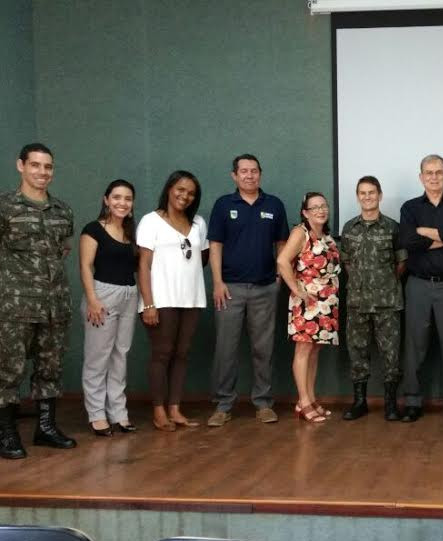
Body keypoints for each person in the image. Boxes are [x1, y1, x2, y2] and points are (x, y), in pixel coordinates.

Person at [0, 142, 78, 459]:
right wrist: (8, 283)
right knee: (7, 371)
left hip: (54, 306)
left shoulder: (62, 210)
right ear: (21, 166)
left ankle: (45, 429)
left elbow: (63, 251)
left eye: (47, 167)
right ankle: (6, 435)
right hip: (14, 307)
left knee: (50, 368)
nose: (42, 172)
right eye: (35, 165)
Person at [206, 154, 290, 428]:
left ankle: (263, 403)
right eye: (244, 171)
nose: (249, 175)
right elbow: (215, 245)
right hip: (229, 288)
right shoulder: (223, 205)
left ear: (260, 174)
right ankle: (223, 405)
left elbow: (282, 244)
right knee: (225, 349)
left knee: (263, 349)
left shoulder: (274, 205)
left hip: (265, 288)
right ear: (234, 176)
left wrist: (279, 275)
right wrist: (217, 282)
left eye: (254, 171)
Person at [397, 155, 443, 423]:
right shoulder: (410, 207)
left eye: (439, 172)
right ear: (421, 177)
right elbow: (408, 240)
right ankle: (413, 401)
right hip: (417, 284)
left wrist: (425, 232)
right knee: (414, 345)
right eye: (428, 173)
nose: (434, 177)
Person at [136, 170, 209, 432]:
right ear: (169, 189)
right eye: (180, 189)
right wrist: (148, 303)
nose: (185, 196)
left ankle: (175, 408)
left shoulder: (199, 223)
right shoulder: (150, 221)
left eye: (190, 193)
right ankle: (159, 411)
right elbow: (143, 265)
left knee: (182, 354)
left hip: (191, 299)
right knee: (162, 353)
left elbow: (202, 258)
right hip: (161, 299)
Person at [339, 176, 406, 421]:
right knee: (357, 353)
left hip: (387, 302)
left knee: (391, 355)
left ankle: (390, 404)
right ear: (358, 197)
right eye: (362, 193)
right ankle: (360, 401)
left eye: (371, 193)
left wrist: (382, 284)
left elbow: (401, 263)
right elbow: (346, 262)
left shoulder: (392, 227)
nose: (367, 197)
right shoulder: (348, 228)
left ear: (380, 195)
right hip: (357, 302)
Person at [78, 179, 139, 436]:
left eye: (127, 198)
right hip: (102, 294)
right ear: (106, 200)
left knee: (120, 355)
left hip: (129, 294)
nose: (121, 203)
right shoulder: (93, 229)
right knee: (97, 358)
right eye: (116, 197)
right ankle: (96, 415)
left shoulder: (131, 233)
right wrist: (92, 299)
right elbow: (85, 266)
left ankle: (118, 413)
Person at [277, 192, 341, 423]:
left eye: (323, 206)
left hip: (326, 304)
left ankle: (310, 398)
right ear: (305, 212)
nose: (321, 210)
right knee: (303, 351)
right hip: (307, 303)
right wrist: (297, 290)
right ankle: (303, 402)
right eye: (314, 207)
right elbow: (282, 261)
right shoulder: (300, 233)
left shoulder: (326, 237)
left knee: (314, 351)